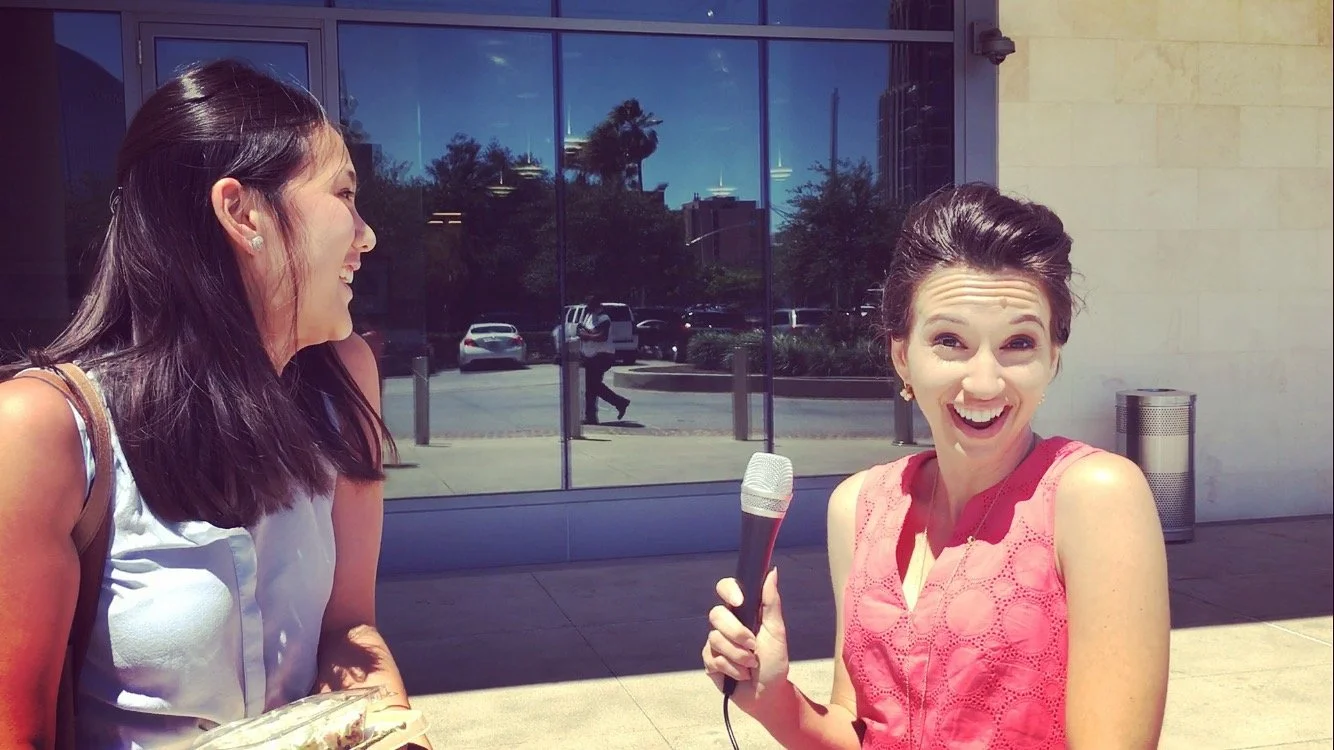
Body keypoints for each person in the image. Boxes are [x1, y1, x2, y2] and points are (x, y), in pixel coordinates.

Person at [0, 60, 432, 748]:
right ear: (241, 211)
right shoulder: (40, 430)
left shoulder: (344, 380)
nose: (366, 235)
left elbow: (347, 628)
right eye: (344, 195)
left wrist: (388, 731)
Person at [701, 183, 1170, 748]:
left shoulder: (1094, 496)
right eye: (950, 340)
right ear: (903, 356)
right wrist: (774, 699)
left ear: (1052, 360)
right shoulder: (860, 506)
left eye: (1019, 343)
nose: (985, 382)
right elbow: (861, 730)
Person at [577, 297, 630, 425]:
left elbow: (602, 336)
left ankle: (618, 403)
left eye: (589, 305)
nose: (587, 308)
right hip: (589, 355)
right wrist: (588, 334)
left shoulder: (604, 318)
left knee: (592, 385)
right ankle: (593, 416)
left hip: (603, 355)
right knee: (591, 386)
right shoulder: (589, 316)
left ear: (596, 305)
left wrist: (587, 335)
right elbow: (585, 331)